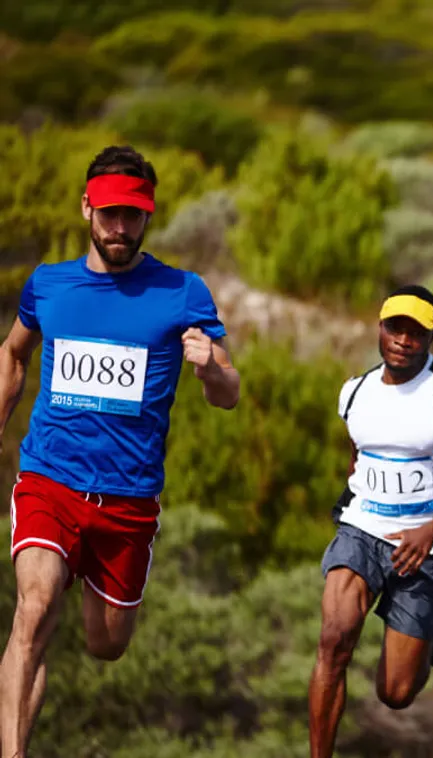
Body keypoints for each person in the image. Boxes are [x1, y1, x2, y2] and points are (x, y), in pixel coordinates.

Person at [0, 145, 241, 757]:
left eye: (132, 216)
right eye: (108, 213)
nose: (119, 228)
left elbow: (229, 394)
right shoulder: (48, 285)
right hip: (49, 479)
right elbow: (13, 353)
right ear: (86, 208)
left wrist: (210, 368)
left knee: (108, 644)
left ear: (148, 217)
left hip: (128, 500)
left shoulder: (182, 291)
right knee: (35, 607)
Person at [308, 286, 433, 758]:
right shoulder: (354, 391)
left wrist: (432, 530)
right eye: (395, 327)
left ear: (432, 335)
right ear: (380, 327)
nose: (403, 339)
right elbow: (360, 456)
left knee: (395, 693)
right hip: (360, 528)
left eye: (415, 331)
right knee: (334, 638)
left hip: (425, 543)